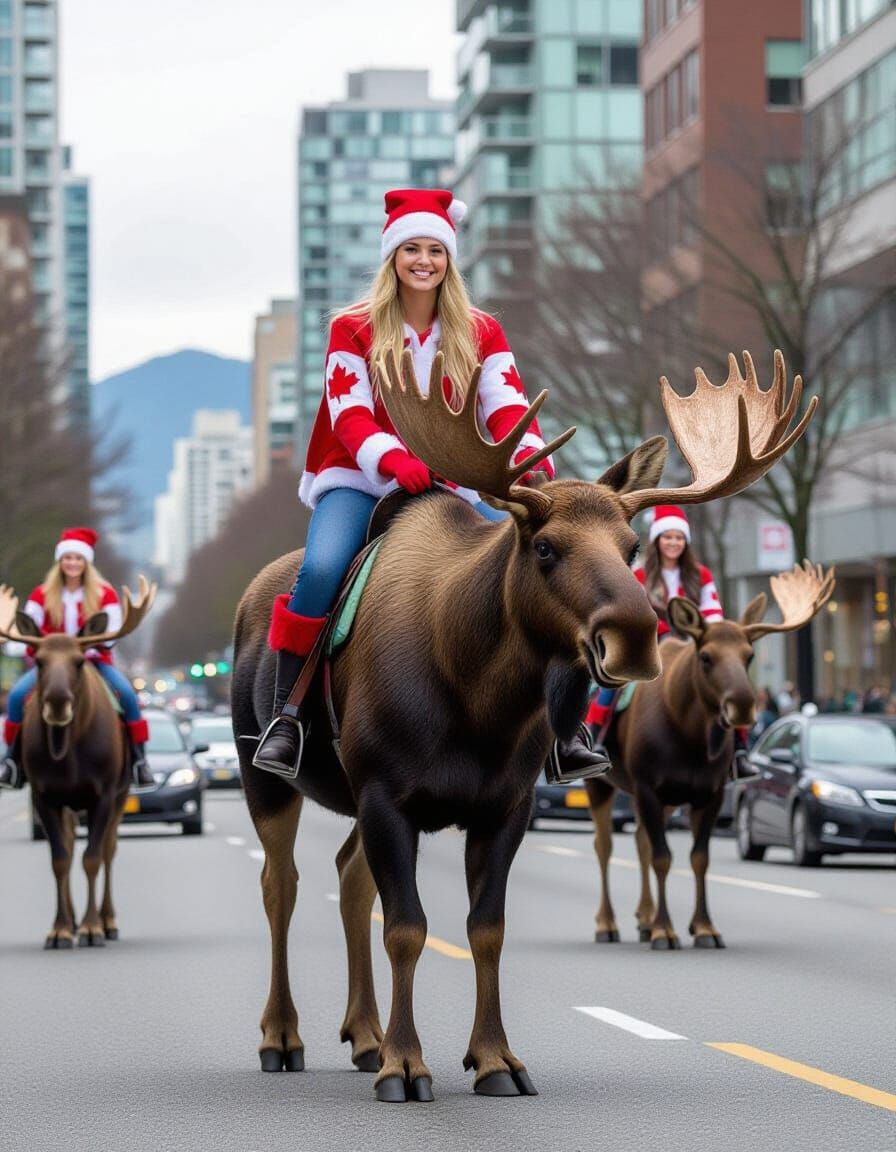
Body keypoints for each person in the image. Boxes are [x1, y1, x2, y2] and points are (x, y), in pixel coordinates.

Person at [253, 187, 609, 783]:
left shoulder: (482, 330)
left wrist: (530, 466)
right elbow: (349, 411)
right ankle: (288, 717)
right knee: (320, 568)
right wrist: (391, 459)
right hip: (362, 478)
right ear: (393, 258)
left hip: (455, 485)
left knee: (541, 568)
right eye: (412, 249)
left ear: (450, 259)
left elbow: (508, 406)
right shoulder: (353, 328)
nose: (425, 260)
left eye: (436, 250)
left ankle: (562, 732)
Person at [0, 528, 154, 790]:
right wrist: (39, 651)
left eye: (78, 558)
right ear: (60, 561)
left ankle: (140, 761)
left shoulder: (104, 594)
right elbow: (31, 629)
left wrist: (92, 644)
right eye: (68, 558)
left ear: (86, 562)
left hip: (91, 661)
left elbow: (110, 633)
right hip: (50, 666)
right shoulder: (42, 594)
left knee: (128, 696)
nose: (72, 563)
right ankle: (12, 761)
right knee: (16, 698)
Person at [585, 504, 724, 736]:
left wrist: (710, 635)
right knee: (616, 680)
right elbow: (634, 614)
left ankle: (739, 749)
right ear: (657, 539)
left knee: (729, 680)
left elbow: (713, 613)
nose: (673, 543)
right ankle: (596, 732)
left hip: (692, 646)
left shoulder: (701, 575)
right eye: (668, 537)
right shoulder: (639, 574)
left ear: (686, 541)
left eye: (679, 537)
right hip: (651, 646)